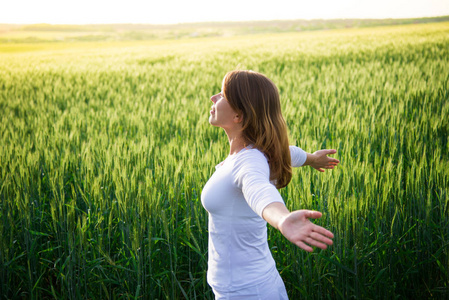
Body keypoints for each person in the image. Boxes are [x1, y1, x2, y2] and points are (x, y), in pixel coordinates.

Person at [201, 70, 339, 299]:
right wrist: (312, 158)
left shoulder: (249, 161)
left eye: (223, 94)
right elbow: (288, 153)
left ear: (239, 116)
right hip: (245, 287)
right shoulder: (260, 152)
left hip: (248, 293)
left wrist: (282, 218)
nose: (214, 97)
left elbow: (259, 191)